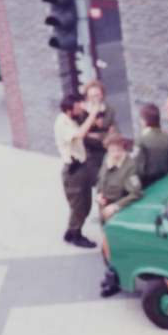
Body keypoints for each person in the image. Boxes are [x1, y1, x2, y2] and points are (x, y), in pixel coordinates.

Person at [97, 133, 143, 297]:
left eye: (117, 149)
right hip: (104, 209)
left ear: (123, 148)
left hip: (118, 213)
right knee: (106, 247)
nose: (114, 153)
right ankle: (111, 275)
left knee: (114, 248)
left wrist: (116, 206)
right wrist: (99, 195)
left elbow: (136, 193)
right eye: (111, 150)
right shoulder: (107, 159)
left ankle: (114, 280)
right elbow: (101, 180)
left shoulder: (129, 166)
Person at [55, 93, 100, 249]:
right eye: (77, 107)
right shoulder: (62, 123)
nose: (80, 110)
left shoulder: (69, 119)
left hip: (80, 167)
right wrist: (93, 113)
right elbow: (80, 134)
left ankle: (70, 232)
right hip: (74, 171)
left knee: (84, 203)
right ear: (69, 110)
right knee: (80, 206)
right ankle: (75, 235)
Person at [81, 80, 118, 187]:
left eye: (97, 95)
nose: (95, 98)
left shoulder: (109, 109)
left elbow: (113, 130)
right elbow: (81, 135)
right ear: (87, 97)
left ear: (102, 94)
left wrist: (98, 134)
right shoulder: (83, 112)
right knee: (98, 181)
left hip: (106, 149)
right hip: (90, 153)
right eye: (91, 96)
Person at [134, 103, 168, 187]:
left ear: (144, 121)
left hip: (148, 183)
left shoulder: (141, 139)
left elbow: (139, 167)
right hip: (167, 179)